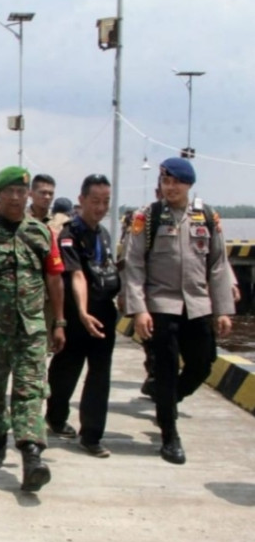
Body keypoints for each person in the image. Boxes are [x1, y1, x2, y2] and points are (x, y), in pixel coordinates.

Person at [0, 166, 66, 493]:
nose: (17, 197)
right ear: (0, 195)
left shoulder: (42, 233)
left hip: (31, 330)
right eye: (11, 192)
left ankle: (32, 455)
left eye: (23, 191)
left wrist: (59, 322)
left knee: (29, 391)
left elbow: (54, 279)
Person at [123, 157, 234, 465]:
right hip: (162, 305)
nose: (169, 188)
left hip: (197, 305)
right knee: (167, 367)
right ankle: (170, 434)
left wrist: (223, 309)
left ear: (189, 184)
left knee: (202, 365)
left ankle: (166, 400)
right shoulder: (148, 217)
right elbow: (133, 265)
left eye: (176, 182)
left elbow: (217, 265)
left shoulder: (206, 217)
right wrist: (139, 309)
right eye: (165, 182)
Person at [46, 174, 120, 457]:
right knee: (66, 371)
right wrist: (81, 313)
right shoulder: (69, 234)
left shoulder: (104, 234)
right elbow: (76, 275)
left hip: (103, 315)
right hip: (77, 316)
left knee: (100, 376)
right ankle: (55, 415)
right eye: (95, 201)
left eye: (106, 202)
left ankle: (91, 435)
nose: (100, 208)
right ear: (81, 200)